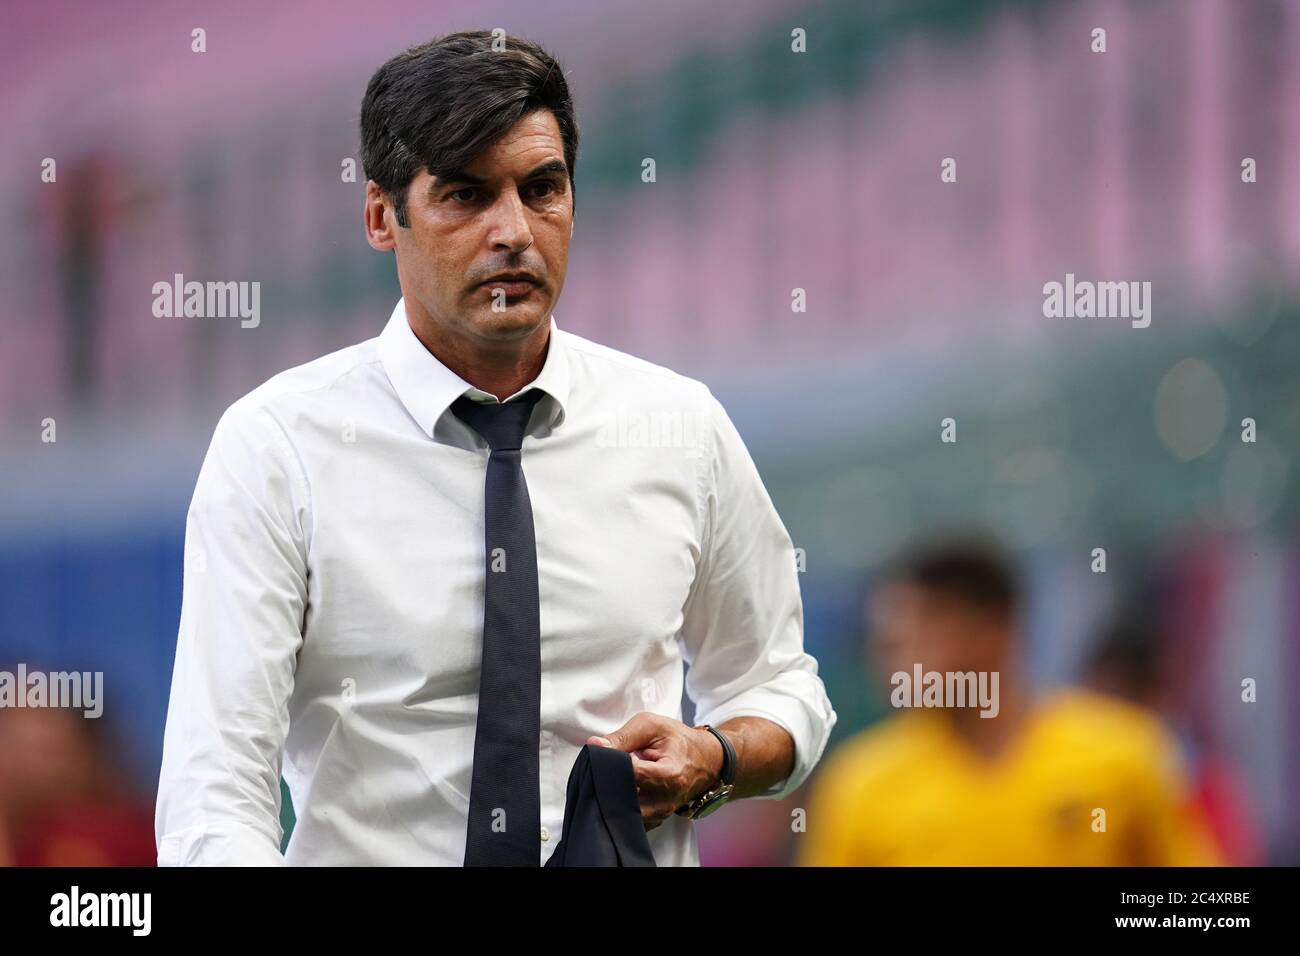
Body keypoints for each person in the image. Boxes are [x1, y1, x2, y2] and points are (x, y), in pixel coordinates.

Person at [155, 30, 835, 866]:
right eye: (467, 195)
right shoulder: (277, 447)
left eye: (542, 188)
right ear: (381, 216)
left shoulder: (679, 426)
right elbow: (214, 790)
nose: (514, 230)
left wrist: (716, 760)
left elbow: (779, 684)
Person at [797, 538, 1220, 866]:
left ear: (990, 632)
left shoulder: (1124, 750)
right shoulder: (861, 783)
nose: (888, 666)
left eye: (905, 644)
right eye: (882, 647)